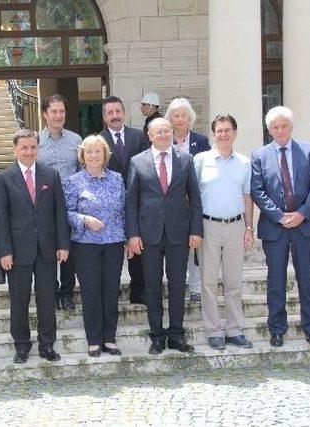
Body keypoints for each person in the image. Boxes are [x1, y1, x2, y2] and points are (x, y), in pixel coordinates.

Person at [126, 117, 203, 354]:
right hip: (149, 235)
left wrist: (196, 231)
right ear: (149, 135)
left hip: (179, 233)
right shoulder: (137, 162)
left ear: (172, 133)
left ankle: (177, 335)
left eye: (166, 131)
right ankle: (157, 335)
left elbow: (195, 198)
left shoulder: (185, 159)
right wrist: (133, 235)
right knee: (152, 286)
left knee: (179, 284)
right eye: (157, 132)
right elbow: (131, 202)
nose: (162, 135)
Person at [251, 106, 310, 349]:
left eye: (283, 126)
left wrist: (302, 213)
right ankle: (277, 329)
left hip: (305, 225)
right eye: (274, 127)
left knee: (307, 279)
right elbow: (258, 191)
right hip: (276, 228)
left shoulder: (309, 149)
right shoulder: (259, 155)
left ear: (290, 126)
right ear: (269, 129)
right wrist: (279, 216)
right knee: (275, 281)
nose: (279, 130)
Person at [0, 129, 70, 363]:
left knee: (47, 299)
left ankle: (47, 345)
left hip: (47, 248)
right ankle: (21, 345)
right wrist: (4, 251)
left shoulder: (51, 175)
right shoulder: (4, 178)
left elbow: (60, 212)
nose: (29, 151)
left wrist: (63, 244)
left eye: (33, 147)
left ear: (38, 148)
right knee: (19, 300)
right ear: (15, 149)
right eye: (24, 147)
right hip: (17, 251)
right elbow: (1, 218)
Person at [193, 114, 254, 350]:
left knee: (233, 281)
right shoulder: (200, 160)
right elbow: (193, 197)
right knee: (208, 281)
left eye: (228, 130)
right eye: (219, 131)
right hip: (208, 226)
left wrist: (249, 228)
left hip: (236, 226)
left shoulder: (244, 163)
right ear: (213, 134)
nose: (223, 134)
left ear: (235, 133)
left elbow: (248, 198)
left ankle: (234, 329)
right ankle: (213, 330)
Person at [64, 135, 126, 357]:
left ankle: (109, 338)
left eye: (97, 151)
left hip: (114, 243)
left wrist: (128, 237)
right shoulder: (73, 182)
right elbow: (67, 212)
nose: (93, 155)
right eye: (88, 151)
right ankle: (93, 339)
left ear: (105, 154)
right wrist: (84, 220)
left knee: (110, 291)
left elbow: (124, 209)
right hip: (86, 244)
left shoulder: (117, 179)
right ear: (82, 155)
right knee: (91, 292)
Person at [99, 96, 147, 305]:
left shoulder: (139, 137)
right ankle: (112, 290)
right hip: (110, 207)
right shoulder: (97, 142)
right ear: (104, 117)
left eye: (118, 111)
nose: (115, 116)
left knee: (137, 246)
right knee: (112, 252)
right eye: (110, 113)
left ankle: (139, 290)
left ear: (124, 112)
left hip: (138, 203)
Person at [165, 97, 211, 302]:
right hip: (171, 203)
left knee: (194, 245)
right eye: (176, 116)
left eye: (184, 115)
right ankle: (175, 285)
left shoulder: (200, 141)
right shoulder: (165, 140)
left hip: (193, 200)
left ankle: (195, 287)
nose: (180, 119)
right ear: (170, 119)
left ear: (190, 118)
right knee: (173, 246)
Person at [38, 94, 81, 310]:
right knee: (47, 249)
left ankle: (66, 292)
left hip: (70, 204)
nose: (58, 115)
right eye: (53, 111)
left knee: (68, 249)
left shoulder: (76, 140)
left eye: (61, 111)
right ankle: (51, 291)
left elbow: (82, 172)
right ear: (45, 114)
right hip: (43, 205)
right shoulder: (35, 141)